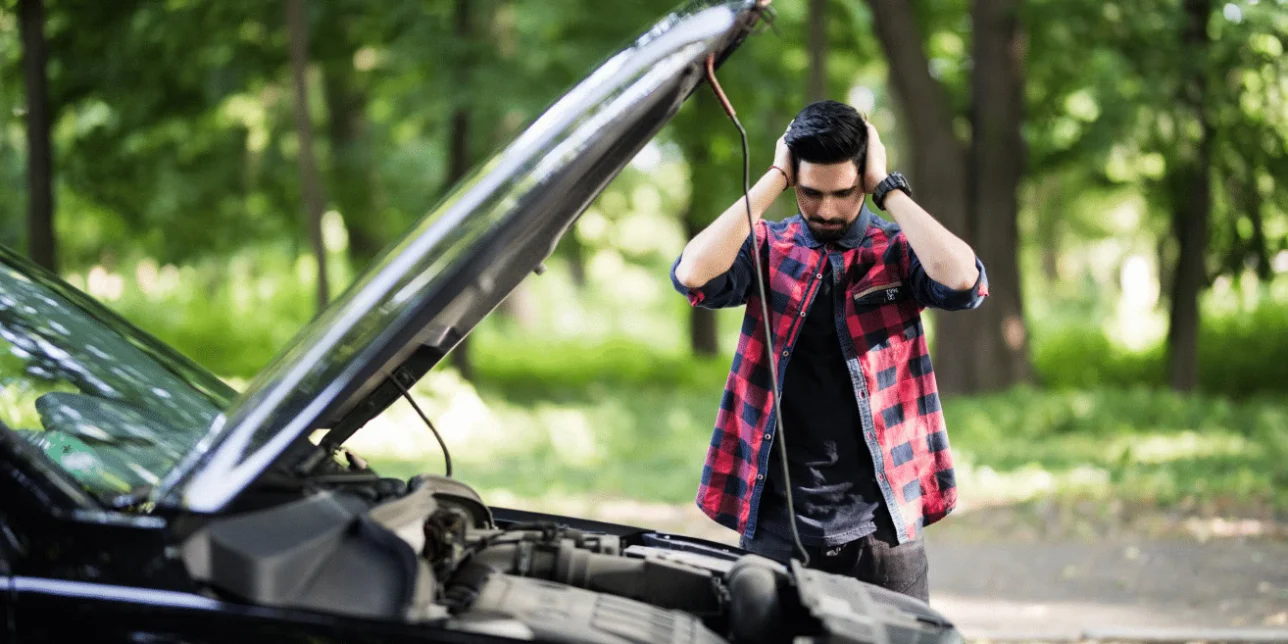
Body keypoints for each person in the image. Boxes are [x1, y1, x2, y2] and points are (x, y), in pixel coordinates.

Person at [669, 100, 988, 602]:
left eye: (843, 193)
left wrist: (888, 187)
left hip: (883, 525)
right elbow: (692, 274)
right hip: (775, 523)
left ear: (862, 179)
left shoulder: (897, 252)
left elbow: (964, 281)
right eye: (811, 193)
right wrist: (774, 175)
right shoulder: (767, 247)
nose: (827, 210)